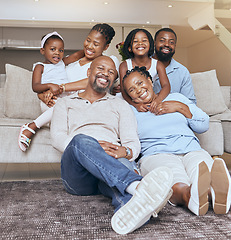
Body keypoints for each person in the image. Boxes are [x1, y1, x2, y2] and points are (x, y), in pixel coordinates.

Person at [50, 56, 174, 235]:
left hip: (110, 164)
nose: (105, 74)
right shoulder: (65, 103)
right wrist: (93, 147)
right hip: (78, 175)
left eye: (111, 72)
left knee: (120, 169)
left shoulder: (120, 105)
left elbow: (132, 142)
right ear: (89, 72)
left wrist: (127, 151)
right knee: (80, 140)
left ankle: (131, 211)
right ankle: (137, 185)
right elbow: (57, 138)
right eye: (100, 68)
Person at [122, 66, 231, 216]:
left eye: (140, 83)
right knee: (172, 176)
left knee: (200, 167)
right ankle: (189, 196)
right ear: (130, 96)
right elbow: (128, 141)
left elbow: (203, 125)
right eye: (132, 90)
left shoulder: (177, 98)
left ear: (150, 80)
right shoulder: (130, 111)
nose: (138, 90)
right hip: (157, 154)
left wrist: (180, 107)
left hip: (190, 148)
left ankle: (213, 193)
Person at [18, 31, 85, 151]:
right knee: (59, 108)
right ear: (43, 51)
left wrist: (89, 48)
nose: (57, 53)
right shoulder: (40, 66)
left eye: (61, 50)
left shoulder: (62, 63)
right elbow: (35, 86)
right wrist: (50, 85)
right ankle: (31, 127)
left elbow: (76, 56)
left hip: (64, 99)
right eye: (53, 49)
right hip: (49, 101)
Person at [119, 28, 170, 113]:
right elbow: (124, 91)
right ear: (129, 48)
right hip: (133, 101)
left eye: (144, 40)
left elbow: (166, 86)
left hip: (150, 98)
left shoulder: (158, 64)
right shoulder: (124, 66)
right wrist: (136, 105)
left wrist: (158, 100)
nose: (140, 43)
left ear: (150, 44)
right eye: (135, 41)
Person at [153, 28, 196, 104]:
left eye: (171, 42)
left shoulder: (183, 72)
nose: (167, 44)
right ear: (154, 43)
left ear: (175, 46)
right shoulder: (143, 65)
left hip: (174, 113)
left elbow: (190, 103)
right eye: (162, 41)